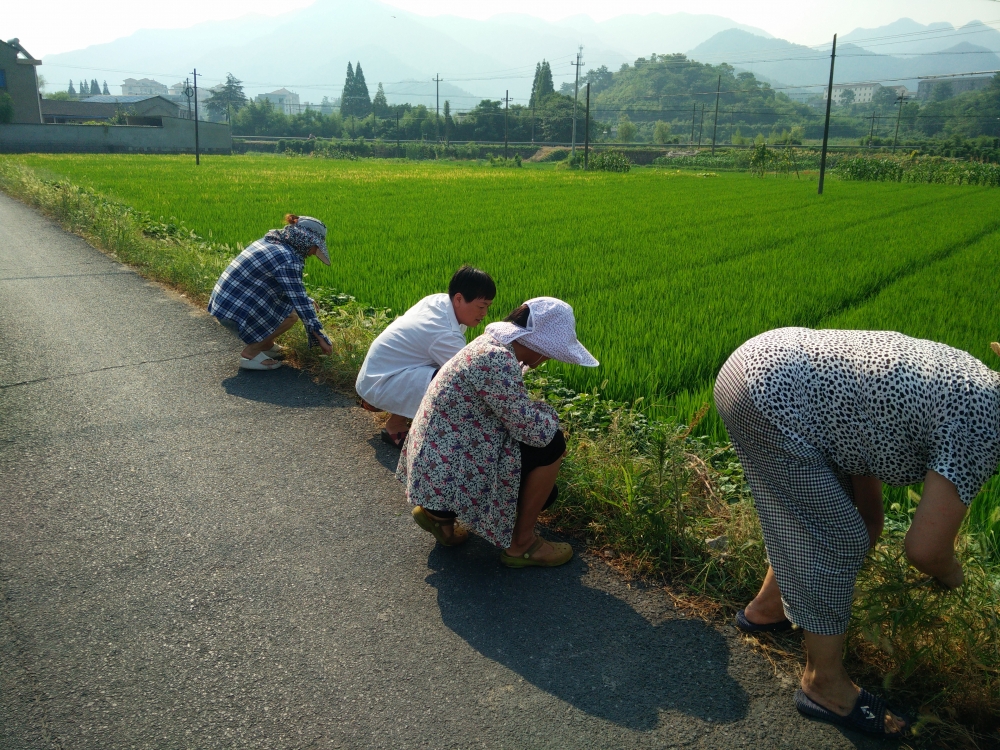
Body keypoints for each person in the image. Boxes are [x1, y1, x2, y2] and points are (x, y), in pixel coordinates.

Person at [714, 328, 1000, 740]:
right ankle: (823, 684)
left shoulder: (974, 383)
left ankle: (766, 609)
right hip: (772, 396)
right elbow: (924, 549)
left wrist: (870, 515)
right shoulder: (986, 426)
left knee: (827, 522)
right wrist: (953, 575)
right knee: (838, 538)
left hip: (758, 365)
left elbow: (865, 419)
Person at [396, 297, 599, 567]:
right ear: (538, 341)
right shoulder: (496, 360)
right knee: (552, 443)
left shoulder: (488, 346)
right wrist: (551, 416)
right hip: (445, 471)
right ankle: (522, 544)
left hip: (435, 465)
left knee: (537, 450)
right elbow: (531, 430)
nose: (549, 357)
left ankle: (439, 517)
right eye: (551, 350)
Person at [356, 266, 496, 448]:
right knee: (450, 382)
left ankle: (401, 418)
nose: (484, 313)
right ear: (459, 298)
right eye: (481, 306)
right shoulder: (444, 332)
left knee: (444, 374)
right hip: (381, 383)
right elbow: (473, 375)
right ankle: (397, 426)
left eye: (487, 307)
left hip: (375, 375)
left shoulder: (439, 301)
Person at [209, 215, 333, 370]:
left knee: (299, 304)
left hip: (224, 305)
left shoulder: (272, 241)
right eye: (316, 246)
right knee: (292, 314)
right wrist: (320, 336)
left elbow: (288, 290)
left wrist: (306, 301)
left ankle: (266, 345)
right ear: (305, 240)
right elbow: (299, 300)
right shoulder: (288, 259)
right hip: (234, 314)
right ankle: (251, 353)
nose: (314, 253)